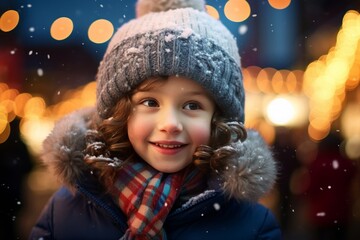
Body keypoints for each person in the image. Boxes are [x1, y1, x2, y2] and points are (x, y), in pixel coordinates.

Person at [29, 0, 281, 239]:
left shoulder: (249, 225)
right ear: (120, 113)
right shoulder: (65, 213)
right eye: (150, 102)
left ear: (219, 120)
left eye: (192, 105)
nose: (170, 123)